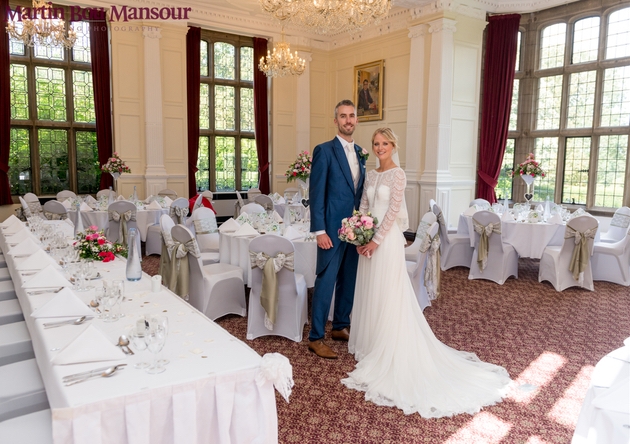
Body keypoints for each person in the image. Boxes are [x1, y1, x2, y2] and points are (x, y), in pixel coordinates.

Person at [342, 128, 512, 417]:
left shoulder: (398, 174)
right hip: (368, 242)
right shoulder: (371, 175)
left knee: (388, 293)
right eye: (376, 144)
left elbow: (394, 212)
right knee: (370, 290)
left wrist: (375, 240)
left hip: (386, 243)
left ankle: (390, 346)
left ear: (394, 146)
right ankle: (370, 343)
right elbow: (365, 207)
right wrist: (359, 233)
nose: (380, 147)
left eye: (384, 143)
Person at [308, 100, 366, 359]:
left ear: (356, 119)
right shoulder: (324, 150)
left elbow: (359, 194)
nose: (348, 120)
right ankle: (316, 337)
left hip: (355, 231)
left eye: (352, 116)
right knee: (326, 281)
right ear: (336, 121)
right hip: (330, 230)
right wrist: (319, 230)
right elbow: (316, 193)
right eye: (343, 116)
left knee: (349, 280)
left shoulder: (362, 153)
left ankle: (341, 326)